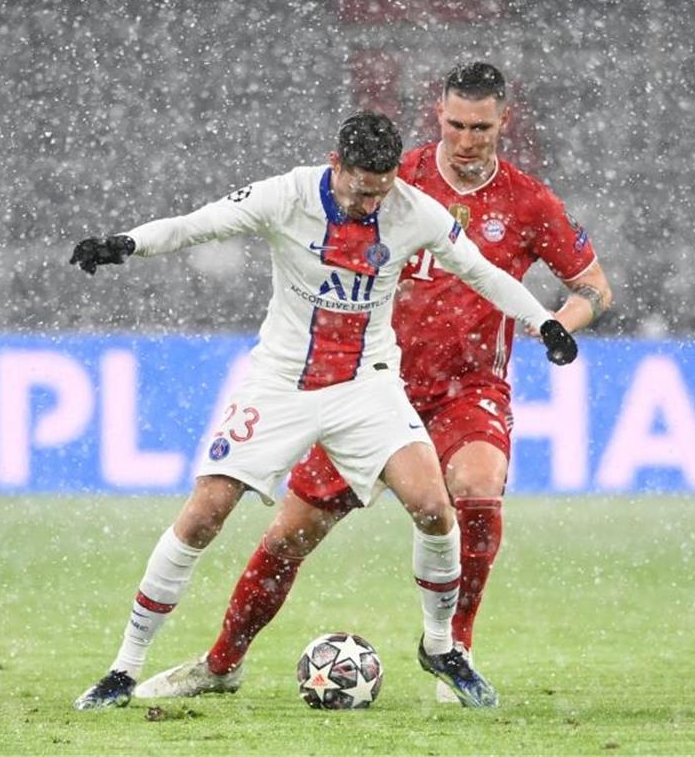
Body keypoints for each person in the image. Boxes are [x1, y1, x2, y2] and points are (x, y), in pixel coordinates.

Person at [136, 63, 613, 706]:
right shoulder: (395, 179)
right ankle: (221, 662)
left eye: (481, 126)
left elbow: (593, 288)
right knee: (289, 535)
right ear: (437, 117)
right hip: (368, 385)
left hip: (468, 387)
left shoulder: (529, 202)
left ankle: (453, 650)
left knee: (474, 487)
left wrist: (555, 323)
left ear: (504, 121)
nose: (467, 140)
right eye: (455, 125)